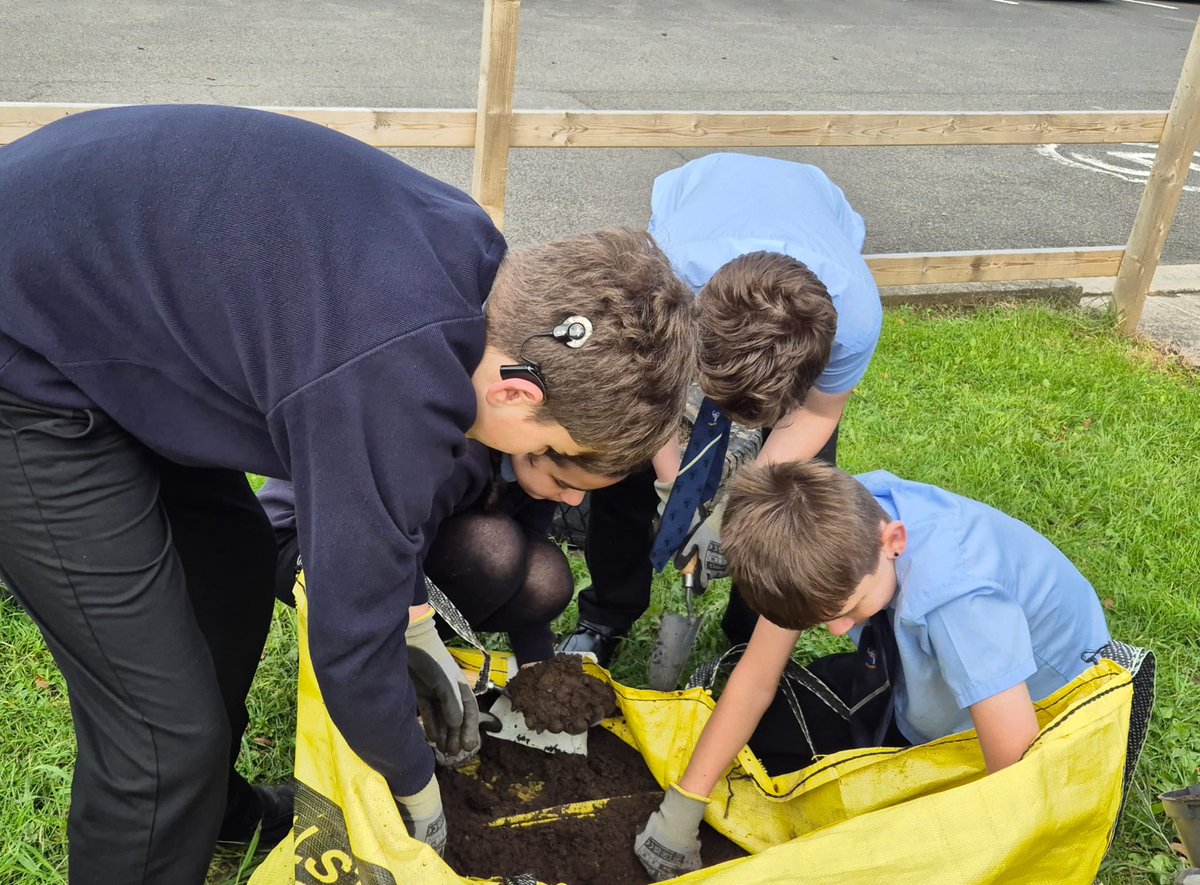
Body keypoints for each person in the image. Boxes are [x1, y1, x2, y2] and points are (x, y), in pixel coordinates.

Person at [0, 104, 696, 884]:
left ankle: (209, 805)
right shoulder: (390, 373)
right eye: (548, 452)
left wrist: (420, 632)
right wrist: (422, 798)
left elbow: (374, 513)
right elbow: (348, 638)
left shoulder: (485, 284)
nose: (543, 475)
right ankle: (167, 799)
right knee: (161, 733)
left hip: (118, 316)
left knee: (230, 571)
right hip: (23, 359)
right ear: (516, 396)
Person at [633, 461, 1112, 881]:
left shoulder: (958, 602)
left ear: (894, 541)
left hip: (1029, 711)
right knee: (769, 739)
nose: (839, 630)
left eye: (849, 609)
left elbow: (1019, 778)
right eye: (820, 621)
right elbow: (756, 678)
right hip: (922, 670)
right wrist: (682, 809)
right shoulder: (822, 530)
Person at [560, 152, 883, 664]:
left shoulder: (857, 318)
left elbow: (819, 414)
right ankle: (607, 614)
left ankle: (748, 634)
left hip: (817, 209)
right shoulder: (660, 282)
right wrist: (672, 481)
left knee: (789, 500)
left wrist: (740, 508)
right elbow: (649, 391)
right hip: (701, 199)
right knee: (628, 463)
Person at [259, 447, 618, 665]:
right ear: (536, 445)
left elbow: (531, 543)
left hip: (402, 542)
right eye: (563, 483)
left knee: (545, 577)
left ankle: (412, 654)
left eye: (582, 492)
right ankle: (383, 660)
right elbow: (394, 557)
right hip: (309, 542)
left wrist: (537, 665)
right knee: (493, 548)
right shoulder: (456, 454)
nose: (572, 501)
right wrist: (414, 653)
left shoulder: (530, 471)